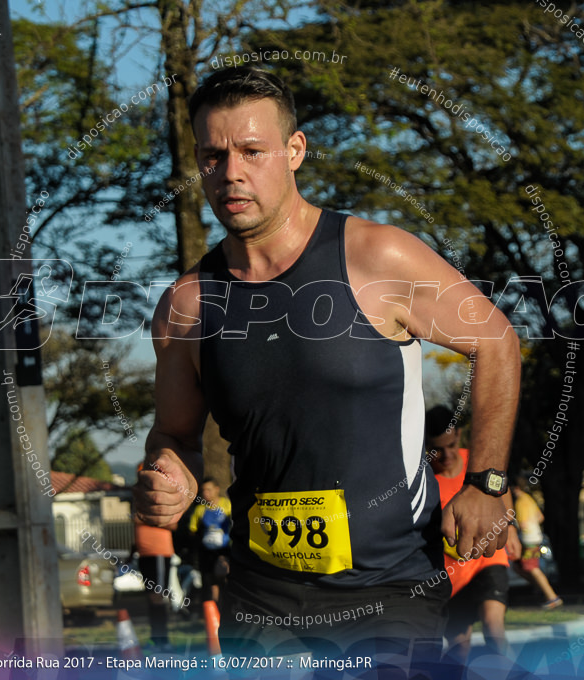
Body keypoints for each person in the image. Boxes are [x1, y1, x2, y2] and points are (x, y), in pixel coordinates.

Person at [133, 66, 521, 656]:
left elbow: (495, 341)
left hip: (390, 588)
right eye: (213, 155)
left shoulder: (375, 256)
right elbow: (174, 433)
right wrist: (170, 473)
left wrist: (487, 481)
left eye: (252, 151)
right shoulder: (187, 305)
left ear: (295, 151)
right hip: (260, 596)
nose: (231, 172)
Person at [425, 406, 519, 661]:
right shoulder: (424, 481)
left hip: (488, 560)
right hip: (451, 576)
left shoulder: (475, 464)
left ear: (459, 435)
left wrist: (509, 524)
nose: (446, 455)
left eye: (451, 445)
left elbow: (500, 487)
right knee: (458, 647)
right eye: (437, 449)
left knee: (493, 629)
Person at [511, 478, 562, 609]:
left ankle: (552, 597)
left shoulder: (521, 502)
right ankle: (540, 588)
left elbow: (522, 524)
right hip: (536, 537)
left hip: (528, 540)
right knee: (518, 567)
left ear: (516, 488)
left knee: (531, 568)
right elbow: (541, 517)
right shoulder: (529, 499)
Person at [133, 515, 176, 649]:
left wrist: (147, 519)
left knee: (158, 597)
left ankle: (163, 640)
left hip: (159, 553)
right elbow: (135, 519)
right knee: (151, 598)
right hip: (144, 555)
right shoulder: (139, 502)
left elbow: (173, 525)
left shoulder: (162, 504)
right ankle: (155, 638)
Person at [188, 478, 232, 604]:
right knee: (211, 581)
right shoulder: (200, 509)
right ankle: (215, 611)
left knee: (225, 577)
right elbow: (192, 530)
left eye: (209, 490)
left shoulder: (227, 505)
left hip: (224, 550)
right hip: (207, 552)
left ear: (217, 489)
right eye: (203, 490)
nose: (206, 493)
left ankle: (229, 607)